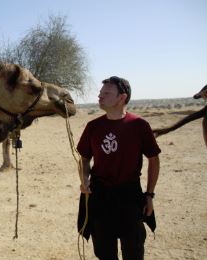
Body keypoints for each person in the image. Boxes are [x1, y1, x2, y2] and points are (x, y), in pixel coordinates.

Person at [76, 76, 161, 260]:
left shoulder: (139, 125)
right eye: (100, 93)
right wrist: (84, 180)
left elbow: (153, 159)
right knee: (104, 252)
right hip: (100, 196)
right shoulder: (93, 127)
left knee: (134, 250)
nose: (100, 96)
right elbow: (84, 158)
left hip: (129, 196)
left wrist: (149, 194)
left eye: (106, 93)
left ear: (122, 97)